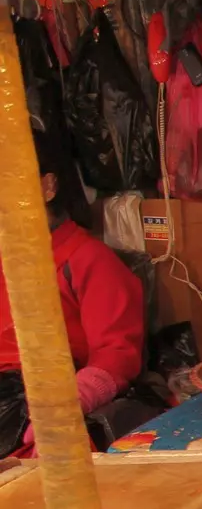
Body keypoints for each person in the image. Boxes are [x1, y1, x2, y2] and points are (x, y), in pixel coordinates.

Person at [0, 130, 147, 456]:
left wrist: (66, 405)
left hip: (45, 407)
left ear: (48, 186)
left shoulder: (88, 259)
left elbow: (117, 353)